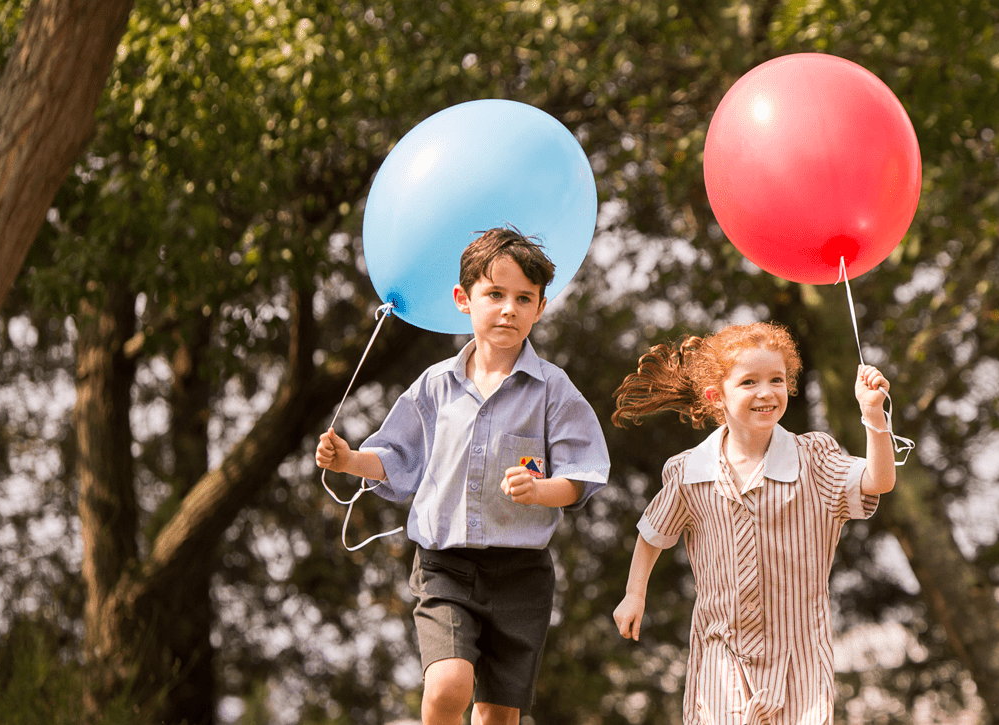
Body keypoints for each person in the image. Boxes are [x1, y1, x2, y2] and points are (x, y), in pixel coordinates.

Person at [314, 227, 609, 725]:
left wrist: (541, 491)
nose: (508, 309)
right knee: (449, 683)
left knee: (497, 715)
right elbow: (397, 456)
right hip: (445, 567)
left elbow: (582, 474)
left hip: (521, 576)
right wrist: (349, 462)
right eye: (494, 294)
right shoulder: (435, 385)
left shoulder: (553, 390)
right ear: (463, 299)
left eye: (524, 298)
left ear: (540, 308)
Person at [608, 322, 896, 724]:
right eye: (749, 382)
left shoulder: (813, 459)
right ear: (717, 396)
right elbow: (653, 533)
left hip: (801, 658)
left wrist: (873, 416)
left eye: (777, 379)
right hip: (721, 654)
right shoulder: (692, 470)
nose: (766, 392)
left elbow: (878, 482)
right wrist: (634, 595)